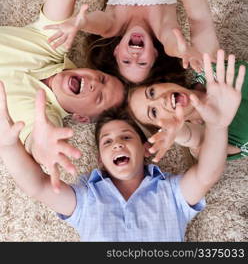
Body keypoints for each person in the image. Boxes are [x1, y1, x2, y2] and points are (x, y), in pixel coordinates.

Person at [0, 68, 241, 241]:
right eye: (107, 142)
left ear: (145, 148)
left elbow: (207, 175)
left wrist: (217, 126)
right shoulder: (86, 199)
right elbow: (39, 187)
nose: (117, 145)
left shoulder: (170, 194)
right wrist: (8, 147)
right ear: (100, 159)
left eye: (126, 137)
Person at [0, 0, 125, 187]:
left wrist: (43, 147)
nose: (95, 84)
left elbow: (39, 141)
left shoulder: (45, 118)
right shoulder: (52, 45)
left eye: (99, 97)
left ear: (82, 117)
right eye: (102, 78)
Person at [44, 0, 219, 84]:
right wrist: (183, 51)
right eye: (142, 63)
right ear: (155, 54)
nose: (135, 57)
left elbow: (97, 22)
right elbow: (172, 44)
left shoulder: (113, 25)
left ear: (116, 50)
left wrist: (81, 22)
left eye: (126, 61)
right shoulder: (161, 27)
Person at [128, 49, 246, 162]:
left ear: (161, 82)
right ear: (163, 126)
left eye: (152, 92)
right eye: (153, 112)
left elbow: (203, 35)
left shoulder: (207, 69)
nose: (161, 100)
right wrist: (178, 134)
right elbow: (196, 140)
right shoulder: (205, 143)